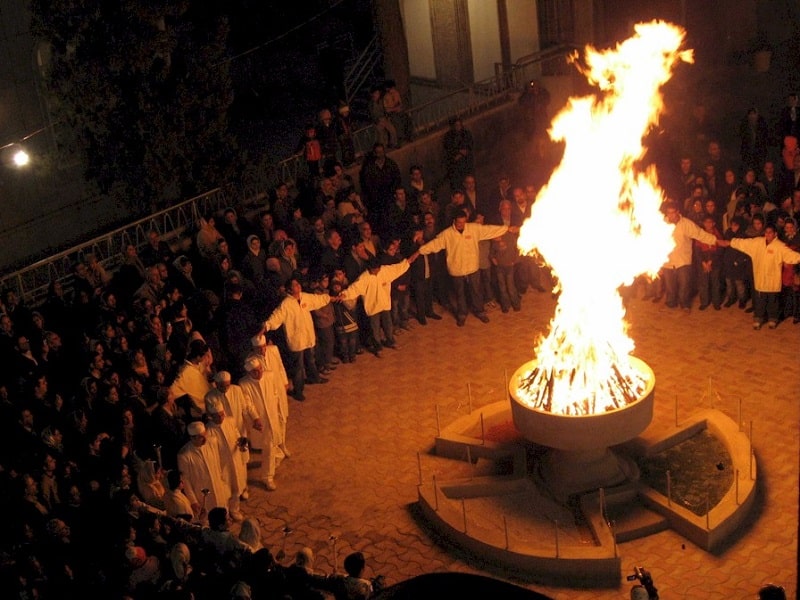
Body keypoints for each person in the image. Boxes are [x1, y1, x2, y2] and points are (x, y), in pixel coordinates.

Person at [417, 209, 515, 326]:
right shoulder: (447, 234)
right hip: (456, 269)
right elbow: (435, 244)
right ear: (454, 221)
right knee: (459, 293)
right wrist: (420, 251)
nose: (461, 225)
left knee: (476, 291)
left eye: (463, 222)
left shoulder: (473, 229)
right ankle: (462, 314)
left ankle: (480, 311)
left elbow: (489, 230)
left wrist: (506, 229)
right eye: (459, 222)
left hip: (472, 267)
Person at [263, 276, 331, 401]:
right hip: (297, 340)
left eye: (298, 284)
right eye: (295, 285)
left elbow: (318, 300)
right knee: (298, 366)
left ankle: (313, 377)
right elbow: (275, 317)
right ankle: (298, 390)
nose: (298, 286)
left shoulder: (305, 297)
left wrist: (330, 298)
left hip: (307, 336)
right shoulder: (286, 304)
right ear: (289, 289)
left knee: (311, 359)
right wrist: (266, 327)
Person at [658, 201, 725, 312]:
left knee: (684, 285)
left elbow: (700, 234)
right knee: (670, 286)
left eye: (672, 213)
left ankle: (685, 305)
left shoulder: (687, 224)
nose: (670, 215)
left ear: (678, 212)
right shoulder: (661, 223)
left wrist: (715, 241)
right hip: (668, 261)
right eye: (668, 213)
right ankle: (670, 304)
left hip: (683, 260)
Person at [730, 223, 800, 329]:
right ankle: (758, 318)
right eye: (766, 232)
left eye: (770, 232)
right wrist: (730, 242)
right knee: (760, 300)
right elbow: (743, 243)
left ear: (775, 234)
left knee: (773, 300)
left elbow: (792, 255)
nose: (767, 234)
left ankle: (773, 319)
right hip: (760, 278)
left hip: (773, 279)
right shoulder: (757, 243)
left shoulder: (780, 246)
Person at [238, 357, 287, 491]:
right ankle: (267, 477)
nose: (259, 373)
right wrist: (255, 418)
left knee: (271, 443)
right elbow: (248, 404)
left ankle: (274, 460)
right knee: (268, 445)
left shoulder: (269, 376)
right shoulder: (244, 384)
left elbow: (275, 392)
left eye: (260, 369)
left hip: (272, 416)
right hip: (261, 420)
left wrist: (277, 409)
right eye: (255, 371)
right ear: (249, 373)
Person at [177, 420, 240, 524]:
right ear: (193, 438)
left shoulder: (212, 442)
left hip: (218, 485)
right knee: (207, 518)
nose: (205, 438)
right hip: (202, 493)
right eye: (201, 437)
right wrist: (193, 501)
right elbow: (186, 480)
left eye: (204, 434)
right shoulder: (184, 455)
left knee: (222, 508)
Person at [442, 117, 475, 191]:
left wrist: (461, 154)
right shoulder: (448, 137)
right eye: (456, 125)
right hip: (455, 166)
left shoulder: (466, 133)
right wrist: (458, 152)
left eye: (459, 125)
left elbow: (470, 146)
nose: (458, 127)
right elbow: (448, 149)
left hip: (466, 163)